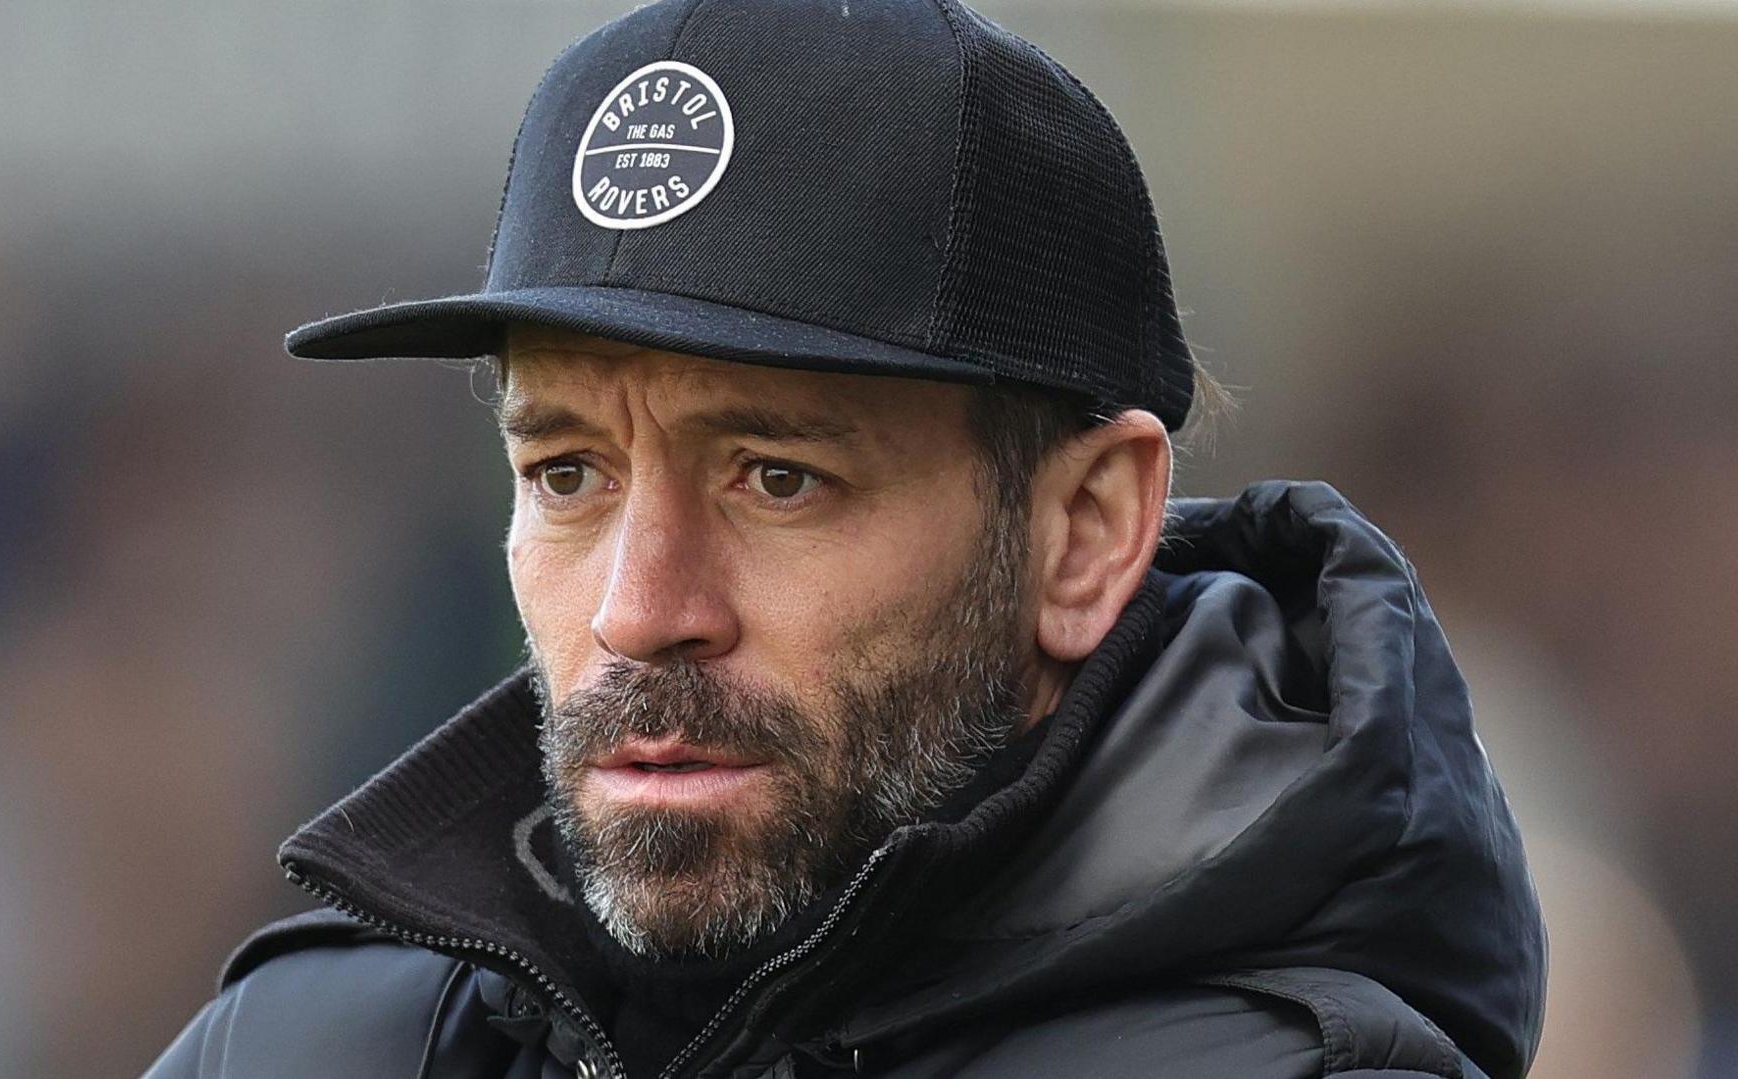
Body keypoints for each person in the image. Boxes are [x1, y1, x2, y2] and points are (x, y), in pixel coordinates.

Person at [147, 0, 1545, 1075]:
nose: (641, 609)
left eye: (777, 477)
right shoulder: (303, 1045)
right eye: (567, 471)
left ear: (1082, 531)